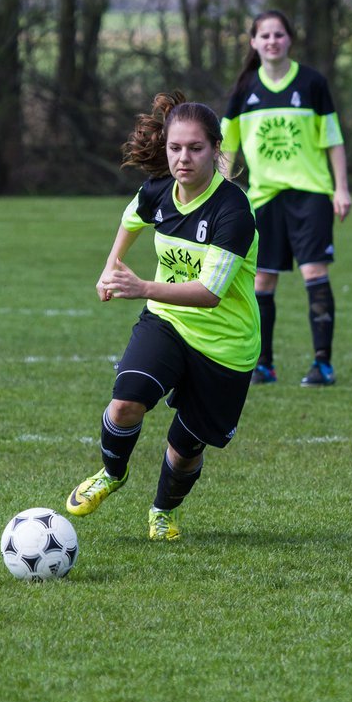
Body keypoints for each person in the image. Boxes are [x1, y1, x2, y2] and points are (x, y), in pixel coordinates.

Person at [66, 92, 259, 540]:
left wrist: (141, 287)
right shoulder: (157, 189)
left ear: (216, 149)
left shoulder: (233, 209)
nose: (183, 158)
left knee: (185, 447)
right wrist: (111, 266)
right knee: (126, 401)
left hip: (226, 345)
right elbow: (132, 218)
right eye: (175, 148)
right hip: (167, 323)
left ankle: (163, 510)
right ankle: (112, 473)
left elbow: (210, 293)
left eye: (195, 148)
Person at [222, 10, 350, 387]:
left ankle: (322, 364)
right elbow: (226, 146)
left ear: (289, 39)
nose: (272, 41)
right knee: (262, 282)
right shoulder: (245, 89)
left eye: (279, 35)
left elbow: (333, 140)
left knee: (314, 272)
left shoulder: (312, 83)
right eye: (265, 36)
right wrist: (224, 192)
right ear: (253, 42)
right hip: (262, 198)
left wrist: (341, 187)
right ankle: (264, 364)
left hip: (311, 194)